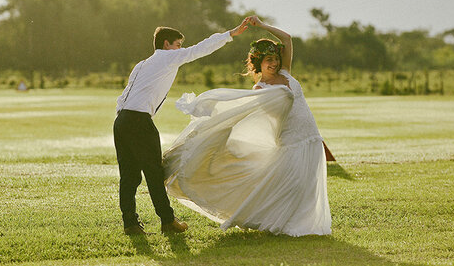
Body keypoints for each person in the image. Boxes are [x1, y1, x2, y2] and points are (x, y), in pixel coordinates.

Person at [163, 16, 331, 236]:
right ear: (258, 63)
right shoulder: (259, 89)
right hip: (290, 143)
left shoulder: (286, 73)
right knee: (294, 185)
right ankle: (285, 224)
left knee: (308, 185)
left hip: (311, 137)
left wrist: (261, 26)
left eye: (275, 59)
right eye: (268, 60)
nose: (274, 63)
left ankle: (301, 223)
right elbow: (245, 114)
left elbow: (288, 39)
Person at [114, 18, 251, 235]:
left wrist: (124, 121)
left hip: (121, 120)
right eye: (178, 45)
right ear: (167, 44)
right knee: (154, 172)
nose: (181, 49)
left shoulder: (142, 64)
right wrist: (230, 34)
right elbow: (199, 50)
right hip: (139, 121)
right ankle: (168, 221)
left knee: (129, 176)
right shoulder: (168, 57)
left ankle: (130, 223)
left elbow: (124, 96)